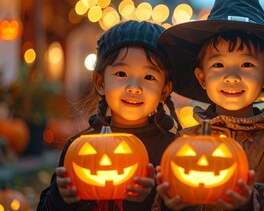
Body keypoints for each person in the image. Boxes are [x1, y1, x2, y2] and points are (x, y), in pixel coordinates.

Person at [153, 0, 264, 210]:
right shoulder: (183, 142)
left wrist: (249, 204)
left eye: (247, 65)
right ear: (202, 77)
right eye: (218, 65)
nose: (232, 76)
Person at [37, 20, 181, 211]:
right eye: (121, 74)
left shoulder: (172, 153)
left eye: (149, 77)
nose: (134, 88)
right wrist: (62, 197)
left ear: (164, 90)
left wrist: (148, 201)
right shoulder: (80, 147)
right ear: (100, 83)